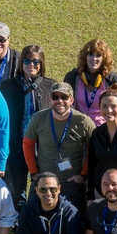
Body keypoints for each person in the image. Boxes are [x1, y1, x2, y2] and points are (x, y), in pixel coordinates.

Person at [0, 44, 54, 234]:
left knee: (40, 204)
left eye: (36, 62)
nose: (32, 66)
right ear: (21, 64)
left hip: (44, 156)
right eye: (28, 61)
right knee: (16, 204)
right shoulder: (8, 87)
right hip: (16, 154)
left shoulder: (51, 87)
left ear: (42, 64)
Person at [23, 81, 95, 213]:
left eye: (64, 97)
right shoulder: (39, 118)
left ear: (71, 99)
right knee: (33, 218)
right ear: (49, 99)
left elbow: (93, 150)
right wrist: (34, 173)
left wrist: (83, 175)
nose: (59, 101)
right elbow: (27, 144)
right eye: (55, 97)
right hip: (43, 181)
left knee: (75, 223)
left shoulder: (84, 121)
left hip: (72, 183)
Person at [63, 39, 117, 126]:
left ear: (104, 58)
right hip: (77, 128)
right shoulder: (72, 77)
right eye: (90, 54)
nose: (94, 59)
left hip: (103, 130)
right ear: (85, 56)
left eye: (98, 55)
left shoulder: (112, 79)